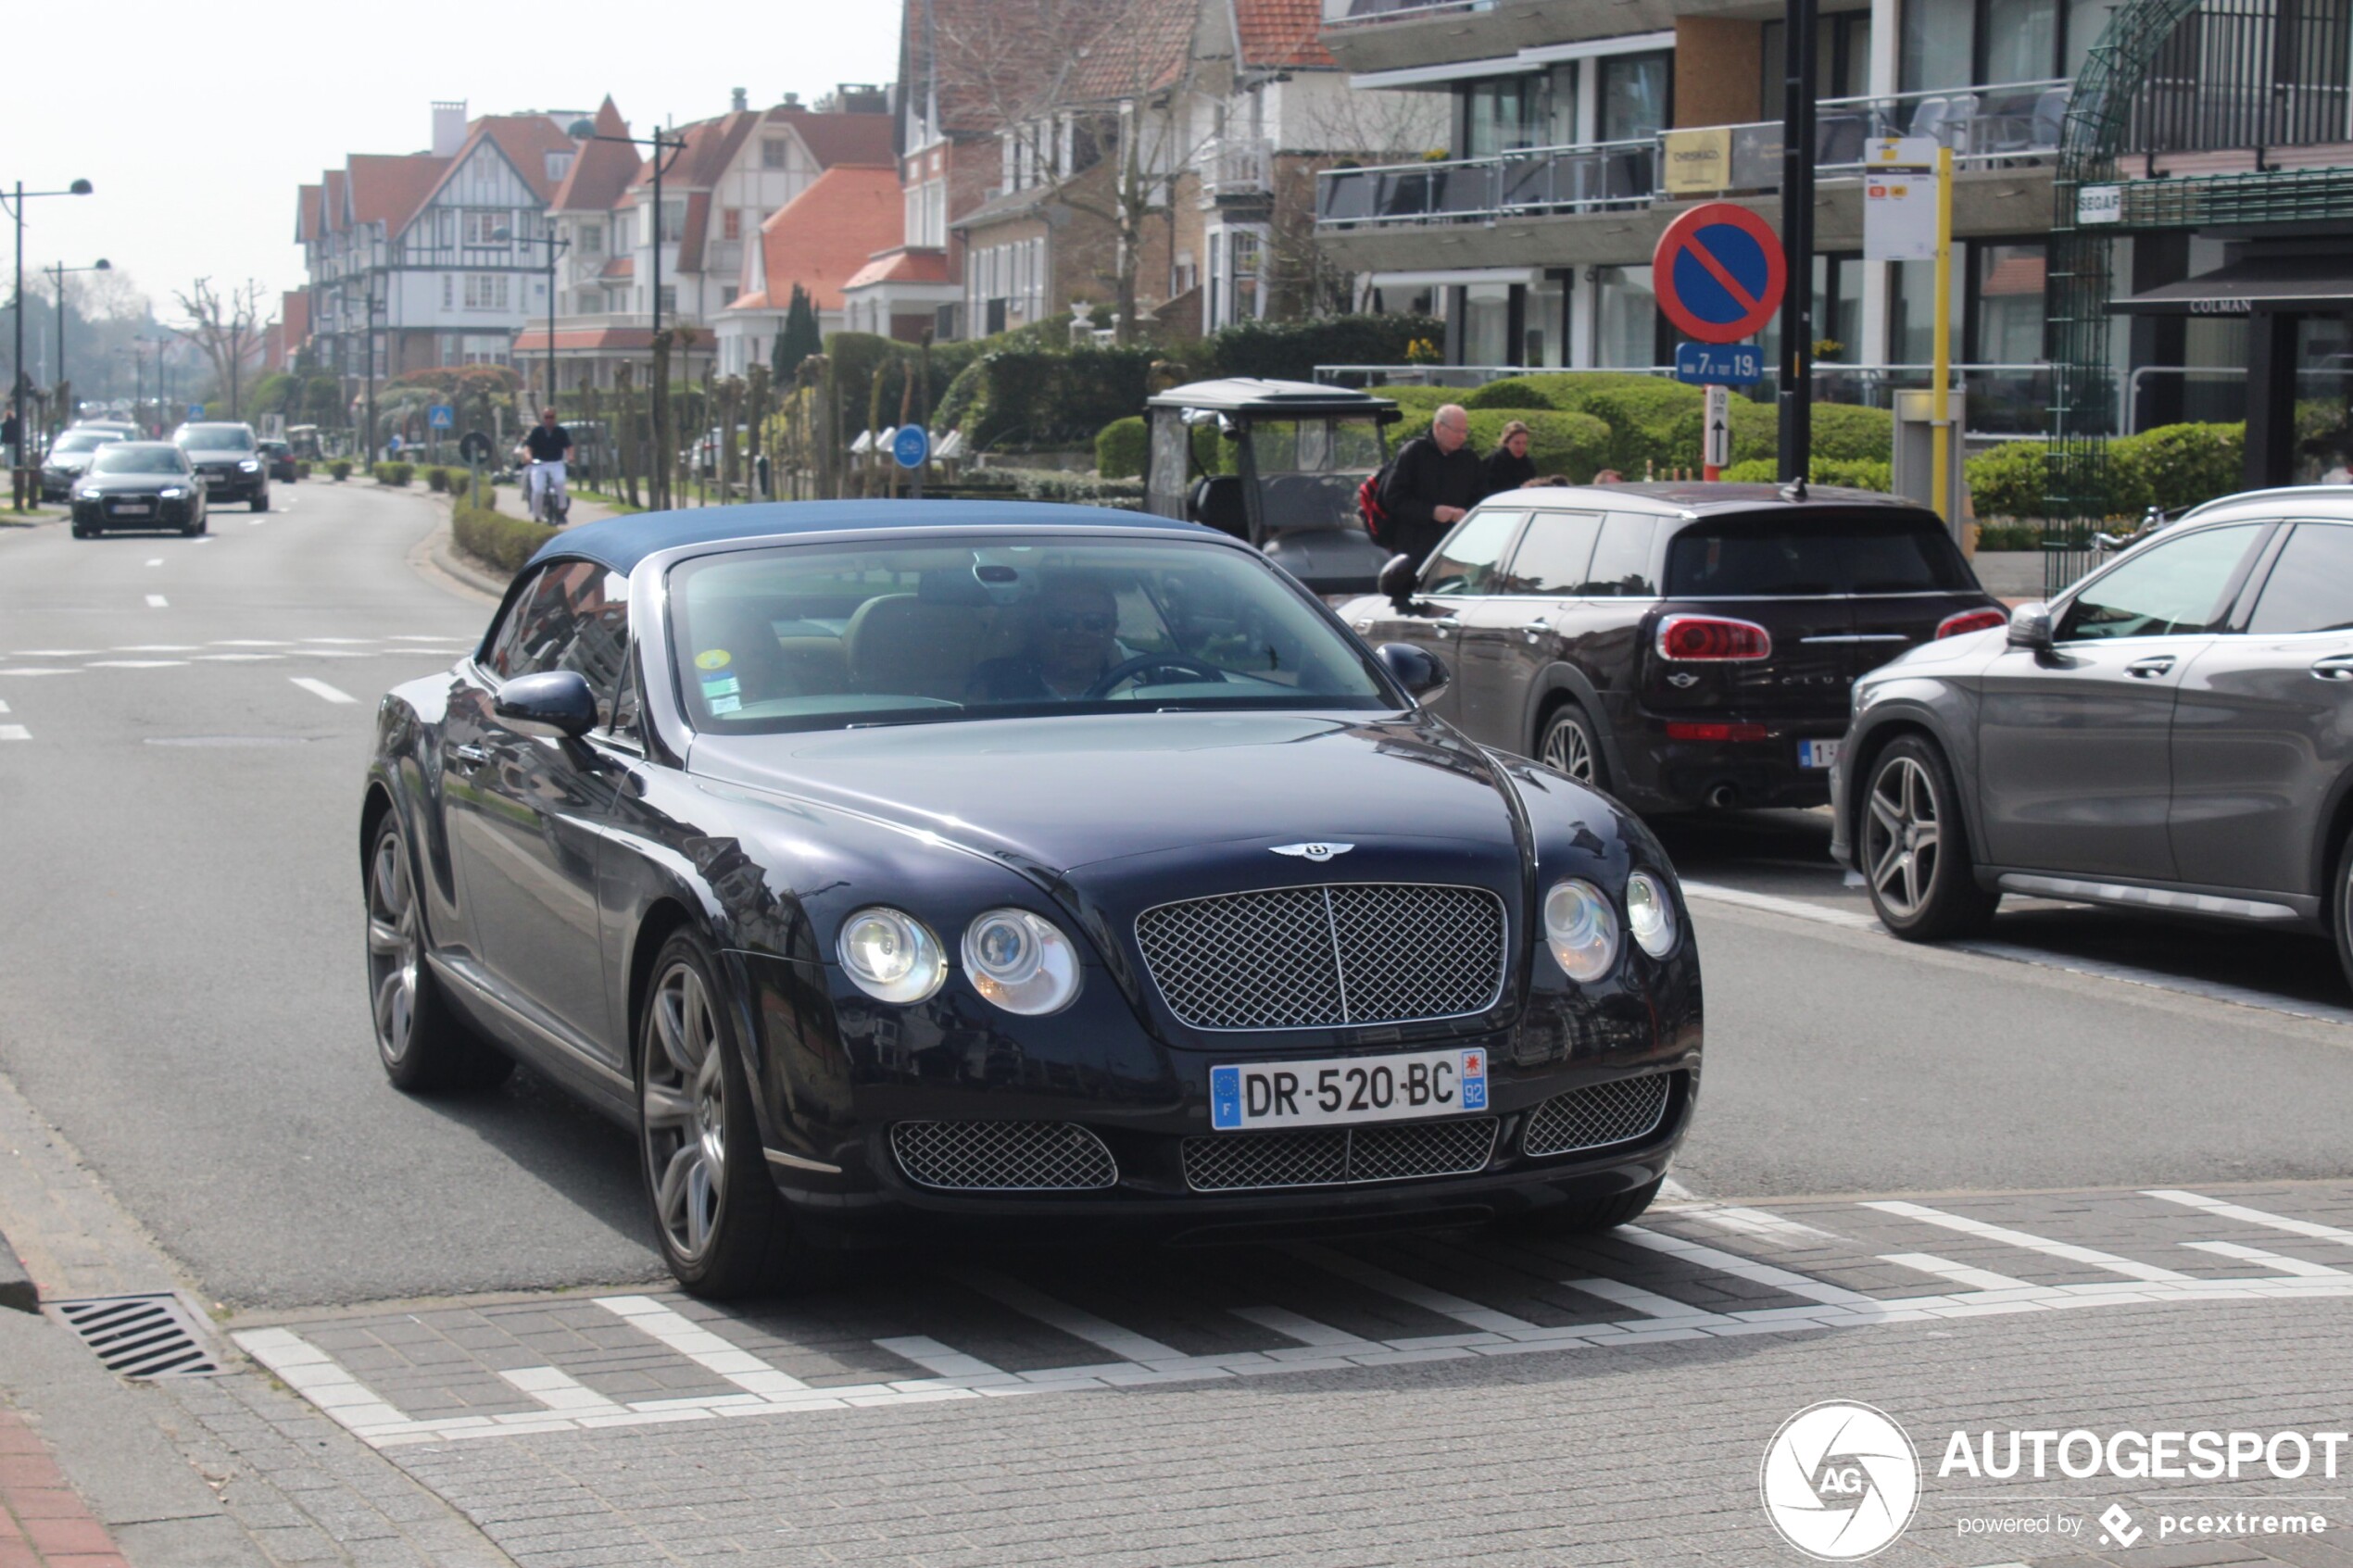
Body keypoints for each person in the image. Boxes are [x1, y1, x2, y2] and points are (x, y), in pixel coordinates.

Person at [970, 574, 1132, 701]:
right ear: (1036, 626)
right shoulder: (994, 687)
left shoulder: (1145, 691)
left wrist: (1124, 686)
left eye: (1095, 621)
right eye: (1061, 619)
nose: (1078, 630)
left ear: (1113, 630)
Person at [1377, 404, 1486, 567]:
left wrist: (1467, 513)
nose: (1462, 437)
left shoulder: (1469, 459)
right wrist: (1432, 512)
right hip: (1415, 547)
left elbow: (1481, 497)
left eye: (1465, 431)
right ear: (1438, 427)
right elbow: (1393, 498)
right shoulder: (1414, 452)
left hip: (1454, 547)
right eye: (1457, 431)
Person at [522, 408, 573, 521]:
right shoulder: (537, 432)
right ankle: (537, 515)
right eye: (546, 417)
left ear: (555, 418)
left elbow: (569, 446)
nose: (549, 420)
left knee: (559, 482)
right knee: (538, 490)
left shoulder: (561, 431)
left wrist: (570, 456)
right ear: (543, 418)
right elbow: (528, 447)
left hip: (556, 463)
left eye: (551, 417)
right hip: (539, 465)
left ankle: (561, 509)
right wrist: (528, 456)